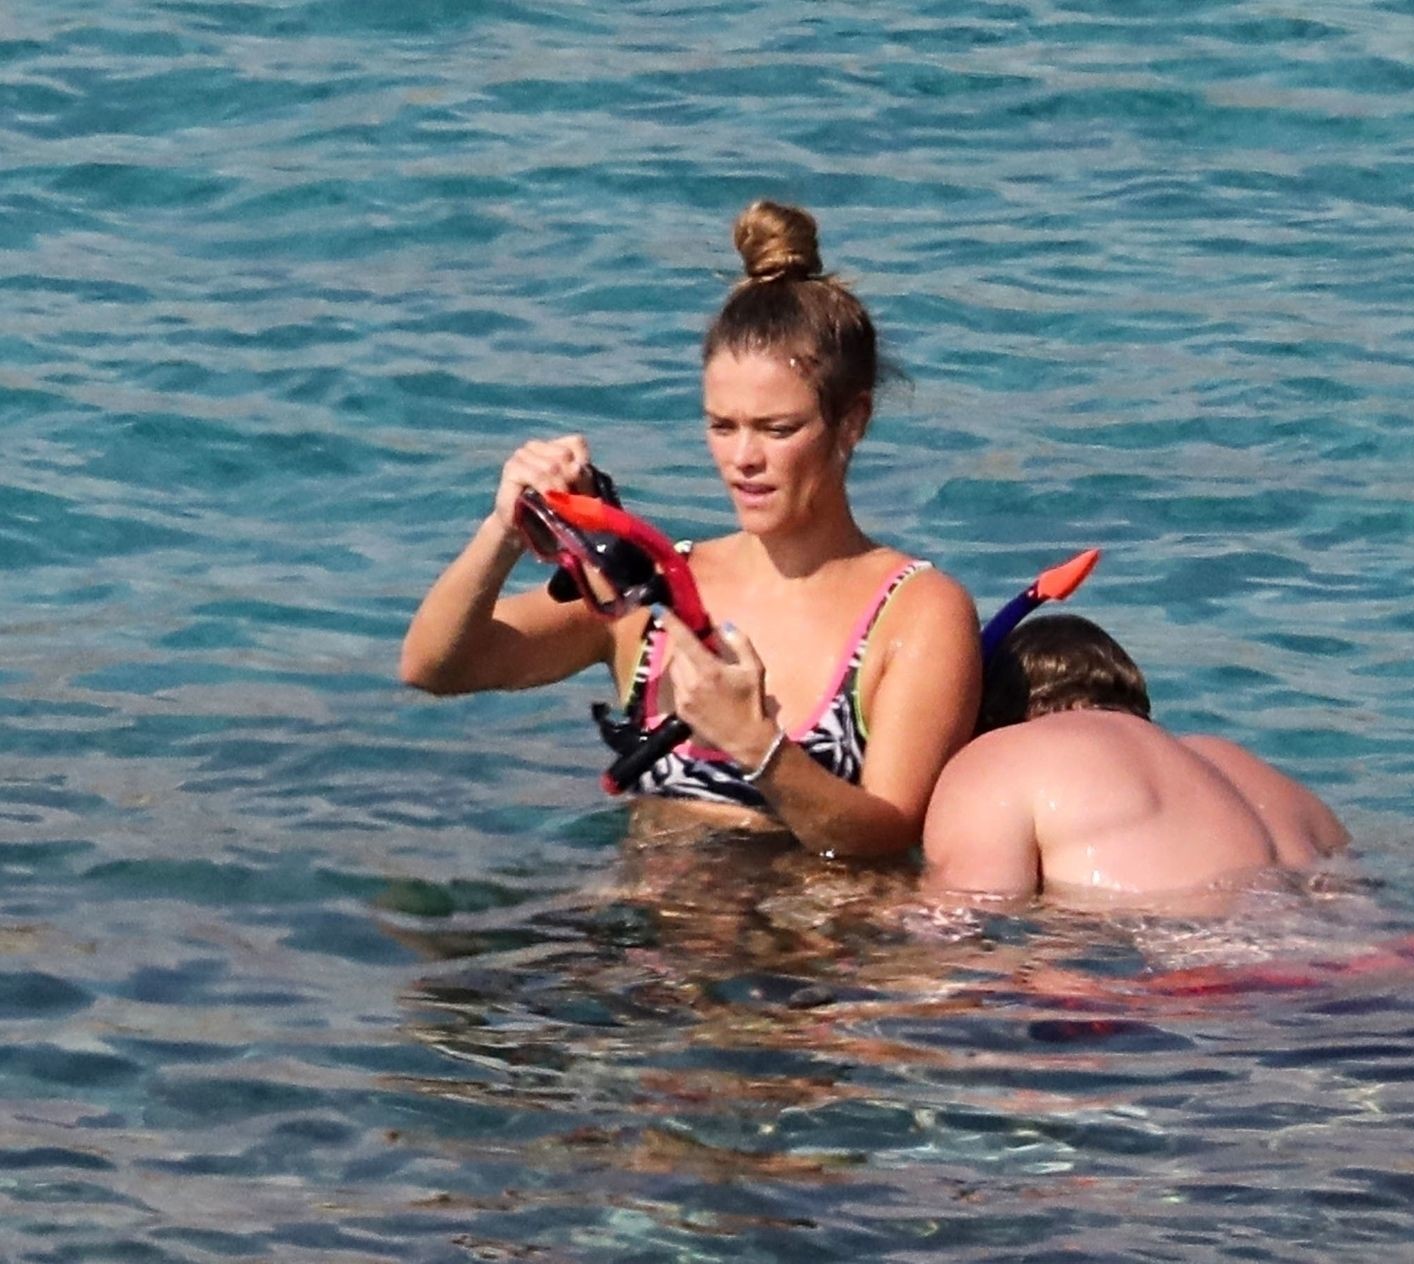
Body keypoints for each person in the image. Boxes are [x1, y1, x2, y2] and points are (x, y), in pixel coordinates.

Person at [400, 201, 981, 859]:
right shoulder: (656, 591)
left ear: (852, 422)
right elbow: (436, 667)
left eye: (777, 430)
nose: (743, 459)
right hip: (643, 916)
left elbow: (887, 835)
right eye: (722, 426)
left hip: (810, 924)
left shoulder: (919, 612)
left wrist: (758, 748)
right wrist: (505, 530)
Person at [920, 615, 1348, 898]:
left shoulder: (1005, 754)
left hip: (1199, 981)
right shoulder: (1234, 763)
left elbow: (967, 920)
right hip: (1361, 961)